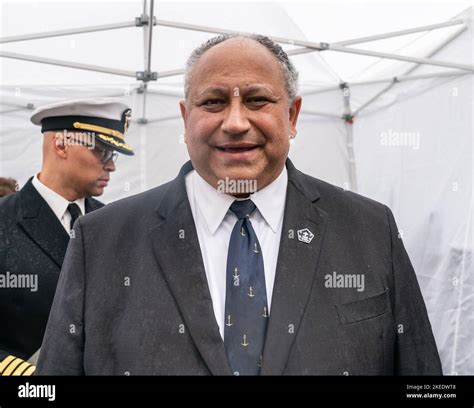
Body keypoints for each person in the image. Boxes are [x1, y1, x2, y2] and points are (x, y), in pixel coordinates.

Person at [36, 35, 442, 376]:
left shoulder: (371, 230)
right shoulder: (101, 240)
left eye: (257, 100)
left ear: (293, 114)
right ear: (185, 118)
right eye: (212, 102)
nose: (234, 122)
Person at [0, 98, 134, 376]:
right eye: (102, 151)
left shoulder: (114, 223)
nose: (111, 166)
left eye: (114, 155)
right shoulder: (5, 221)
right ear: (61, 144)